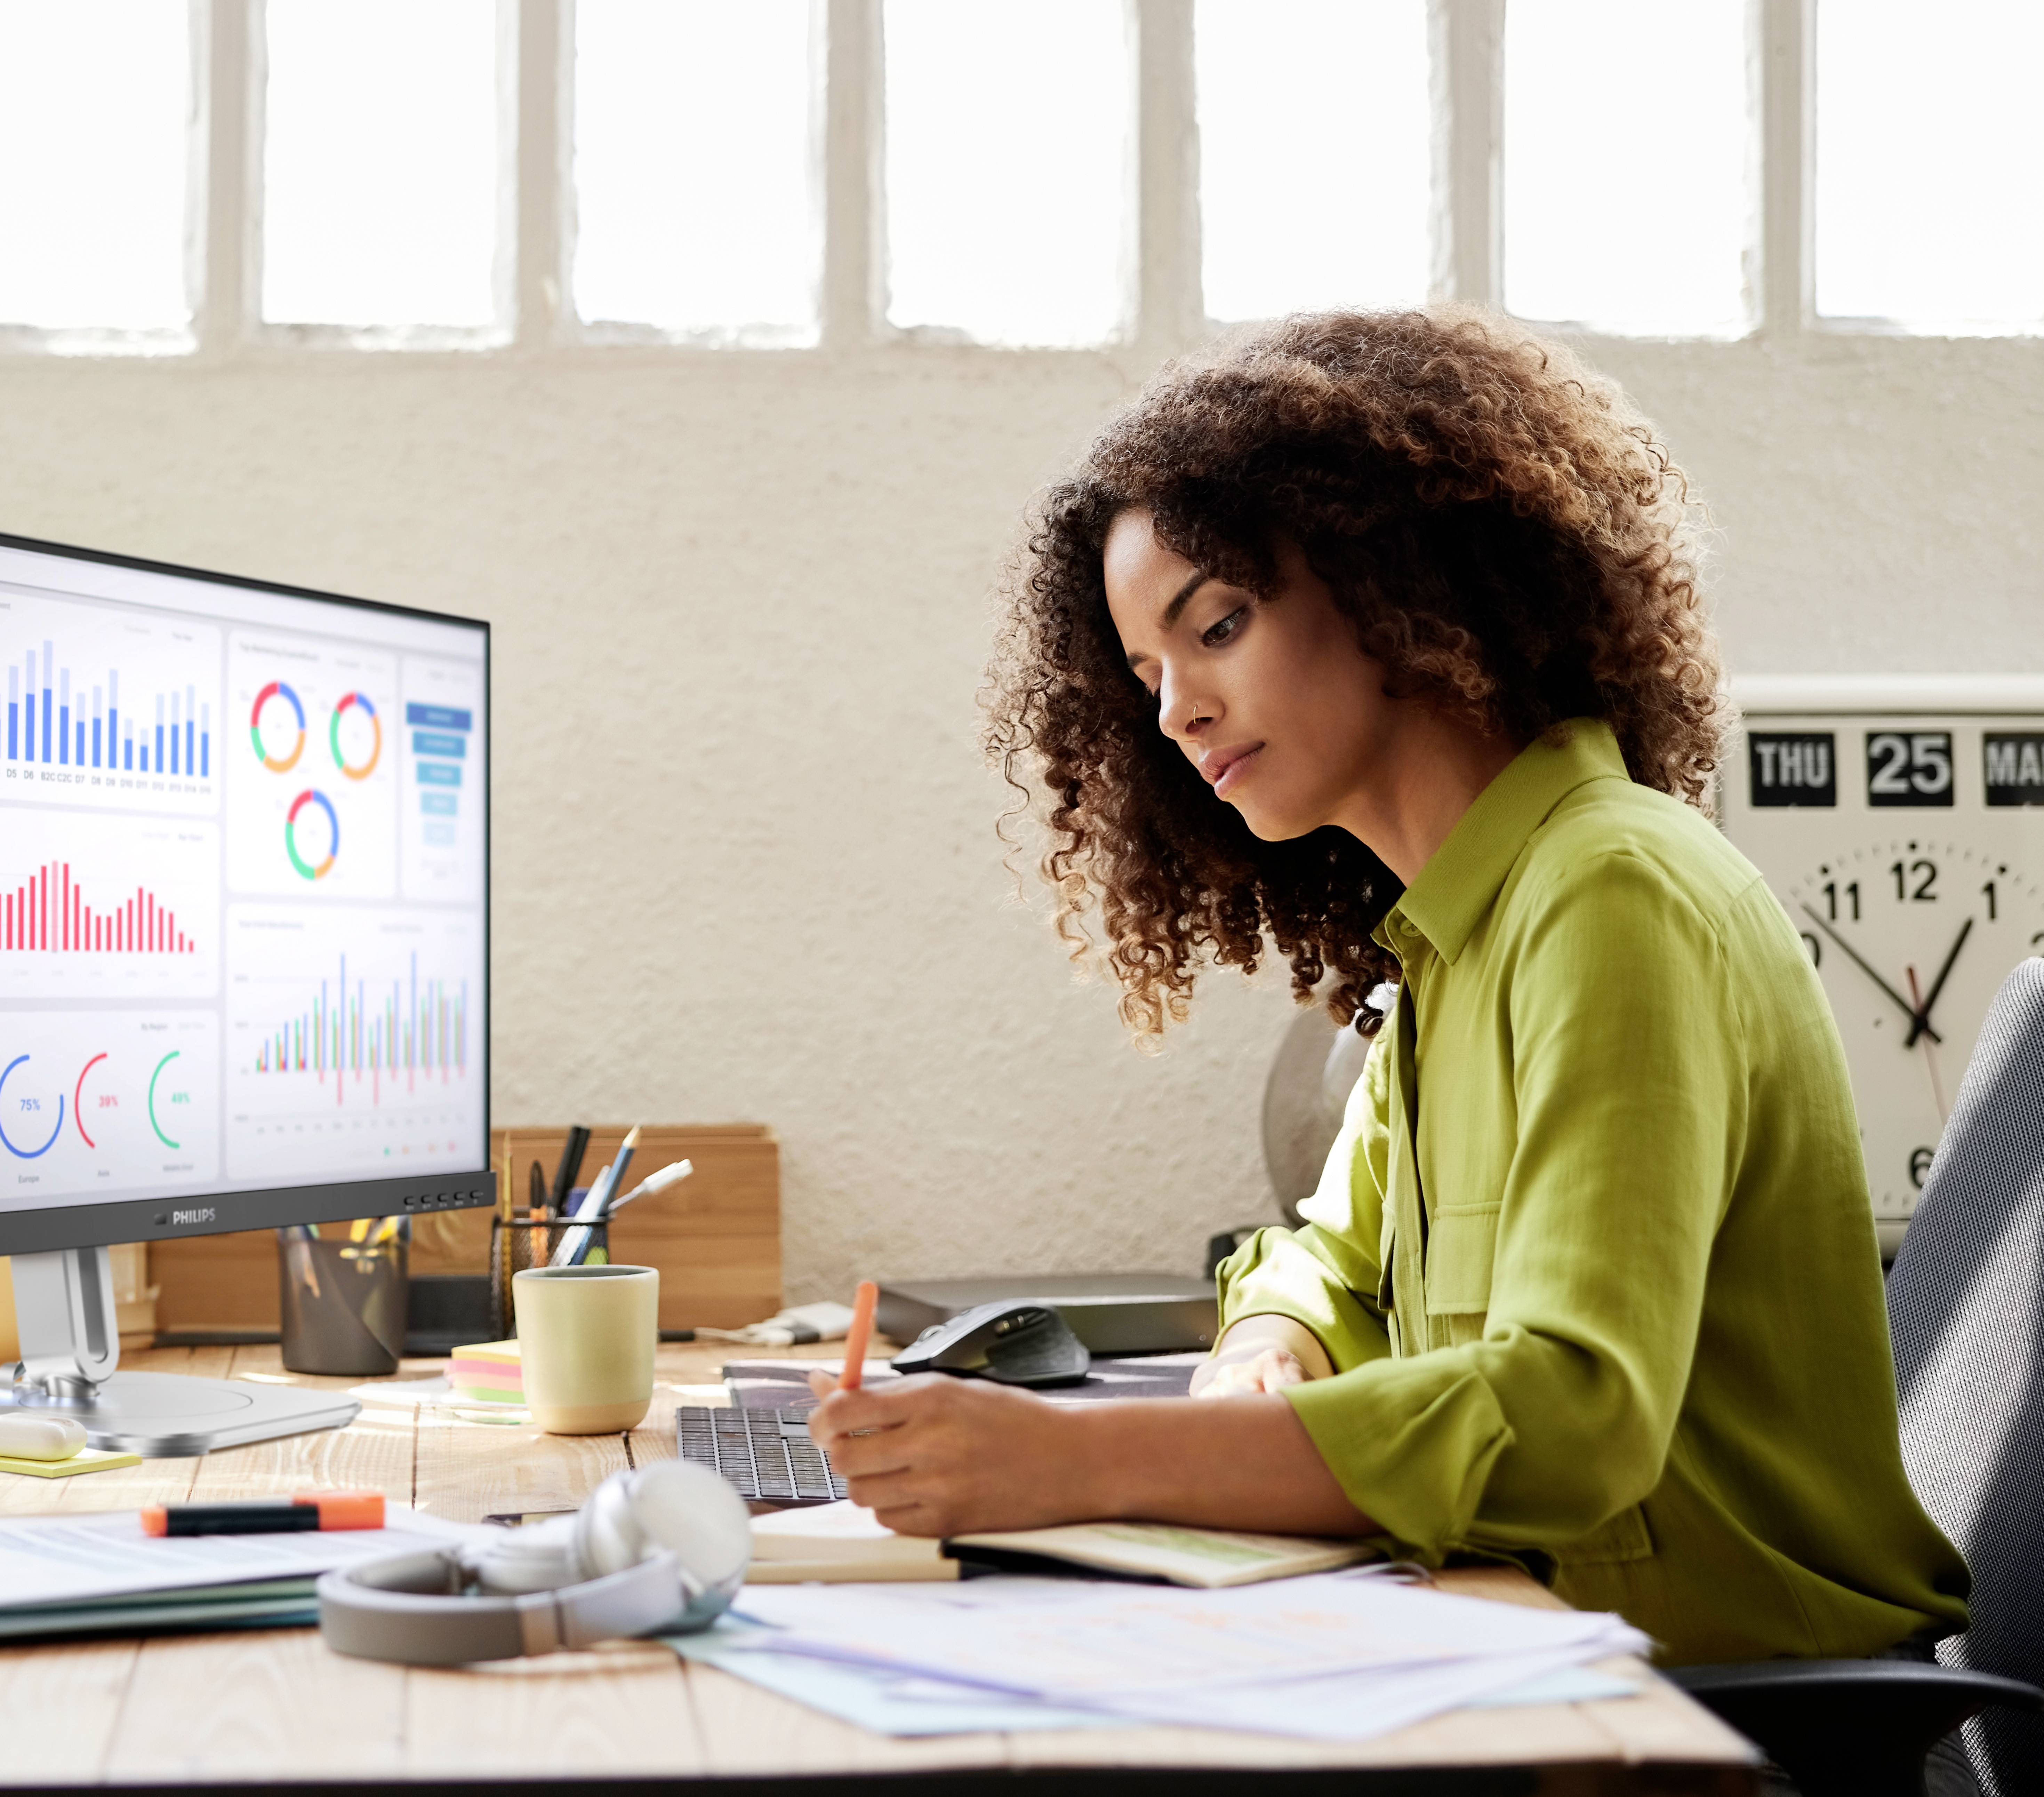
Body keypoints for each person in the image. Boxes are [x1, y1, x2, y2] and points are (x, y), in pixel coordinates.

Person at [806, 308, 1970, 1664]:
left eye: (1218, 625)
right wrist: (1268, 1356)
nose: (1176, 709)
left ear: (1396, 582)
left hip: (1724, 1708)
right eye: (1146, 674)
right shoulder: (1452, 943)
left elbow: (1573, 1416)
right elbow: (1326, 1260)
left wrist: (1091, 1462)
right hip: (1532, 1650)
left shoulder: (1614, 898)